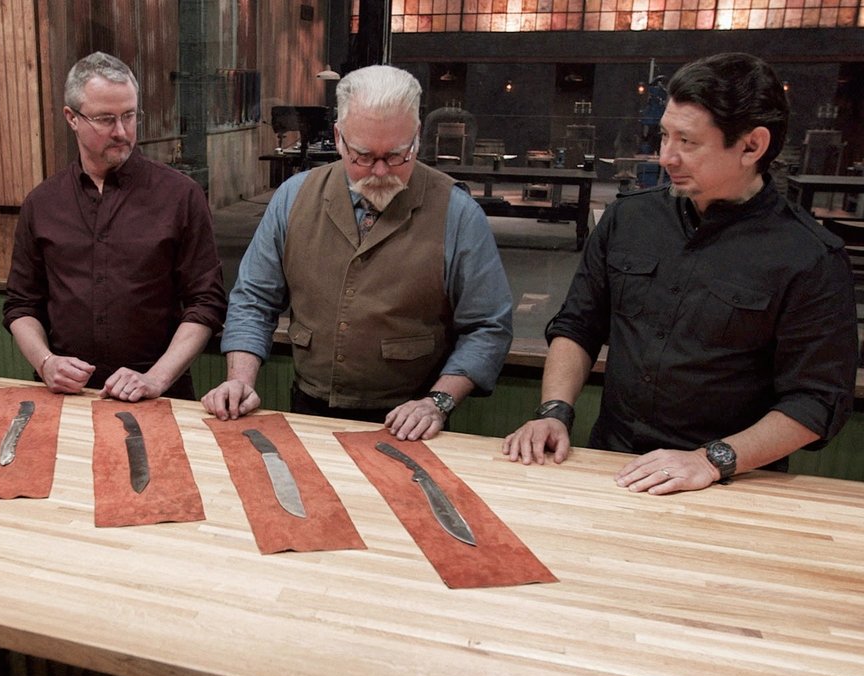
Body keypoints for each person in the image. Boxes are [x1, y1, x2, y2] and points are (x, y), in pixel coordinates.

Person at [502, 52, 858, 494]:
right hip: (611, 462)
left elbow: (817, 401)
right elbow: (578, 326)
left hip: (729, 483)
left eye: (687, 142)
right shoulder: (628, 220)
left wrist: (710, 460)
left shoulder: (810, 257)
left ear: (752, 146)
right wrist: (554, 411)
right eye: (664, 135)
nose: (665, 157)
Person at [201, 64, 513, 440]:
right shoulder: (293, 198)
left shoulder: (458, 214)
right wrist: (239, 380)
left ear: (416, 137)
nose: (380, 172)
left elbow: (488, 326)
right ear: (338, 137)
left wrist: (438, 402)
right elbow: (254, 300)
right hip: (309, 408)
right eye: (363, 156)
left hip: (413, 420)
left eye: (397, 156)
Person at [3, 52, 226, 401]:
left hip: (158, 396)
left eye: (129, 116)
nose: (121, 131)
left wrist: (155, 379)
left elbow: (206, 302)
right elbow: (21, 304)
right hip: (67, 396)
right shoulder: (42, 203)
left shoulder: (181, 196)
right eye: (106, 119)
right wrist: (46, 363)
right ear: (72, 118)